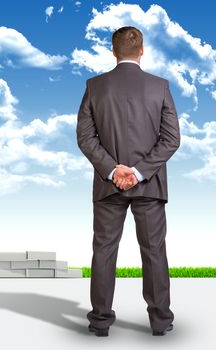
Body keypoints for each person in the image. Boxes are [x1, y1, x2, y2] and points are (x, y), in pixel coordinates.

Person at [76, 26, 181, 337]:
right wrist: (138, 172)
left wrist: (113, 170)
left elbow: (85, 137)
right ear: (142, 50)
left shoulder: (95, 87)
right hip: (149, 186)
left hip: (108, 186)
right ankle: (160, 322)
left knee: (104, 251)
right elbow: (171, 139)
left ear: (113, 51)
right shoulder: (159, 86)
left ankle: (100, 323)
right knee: (154, 251)